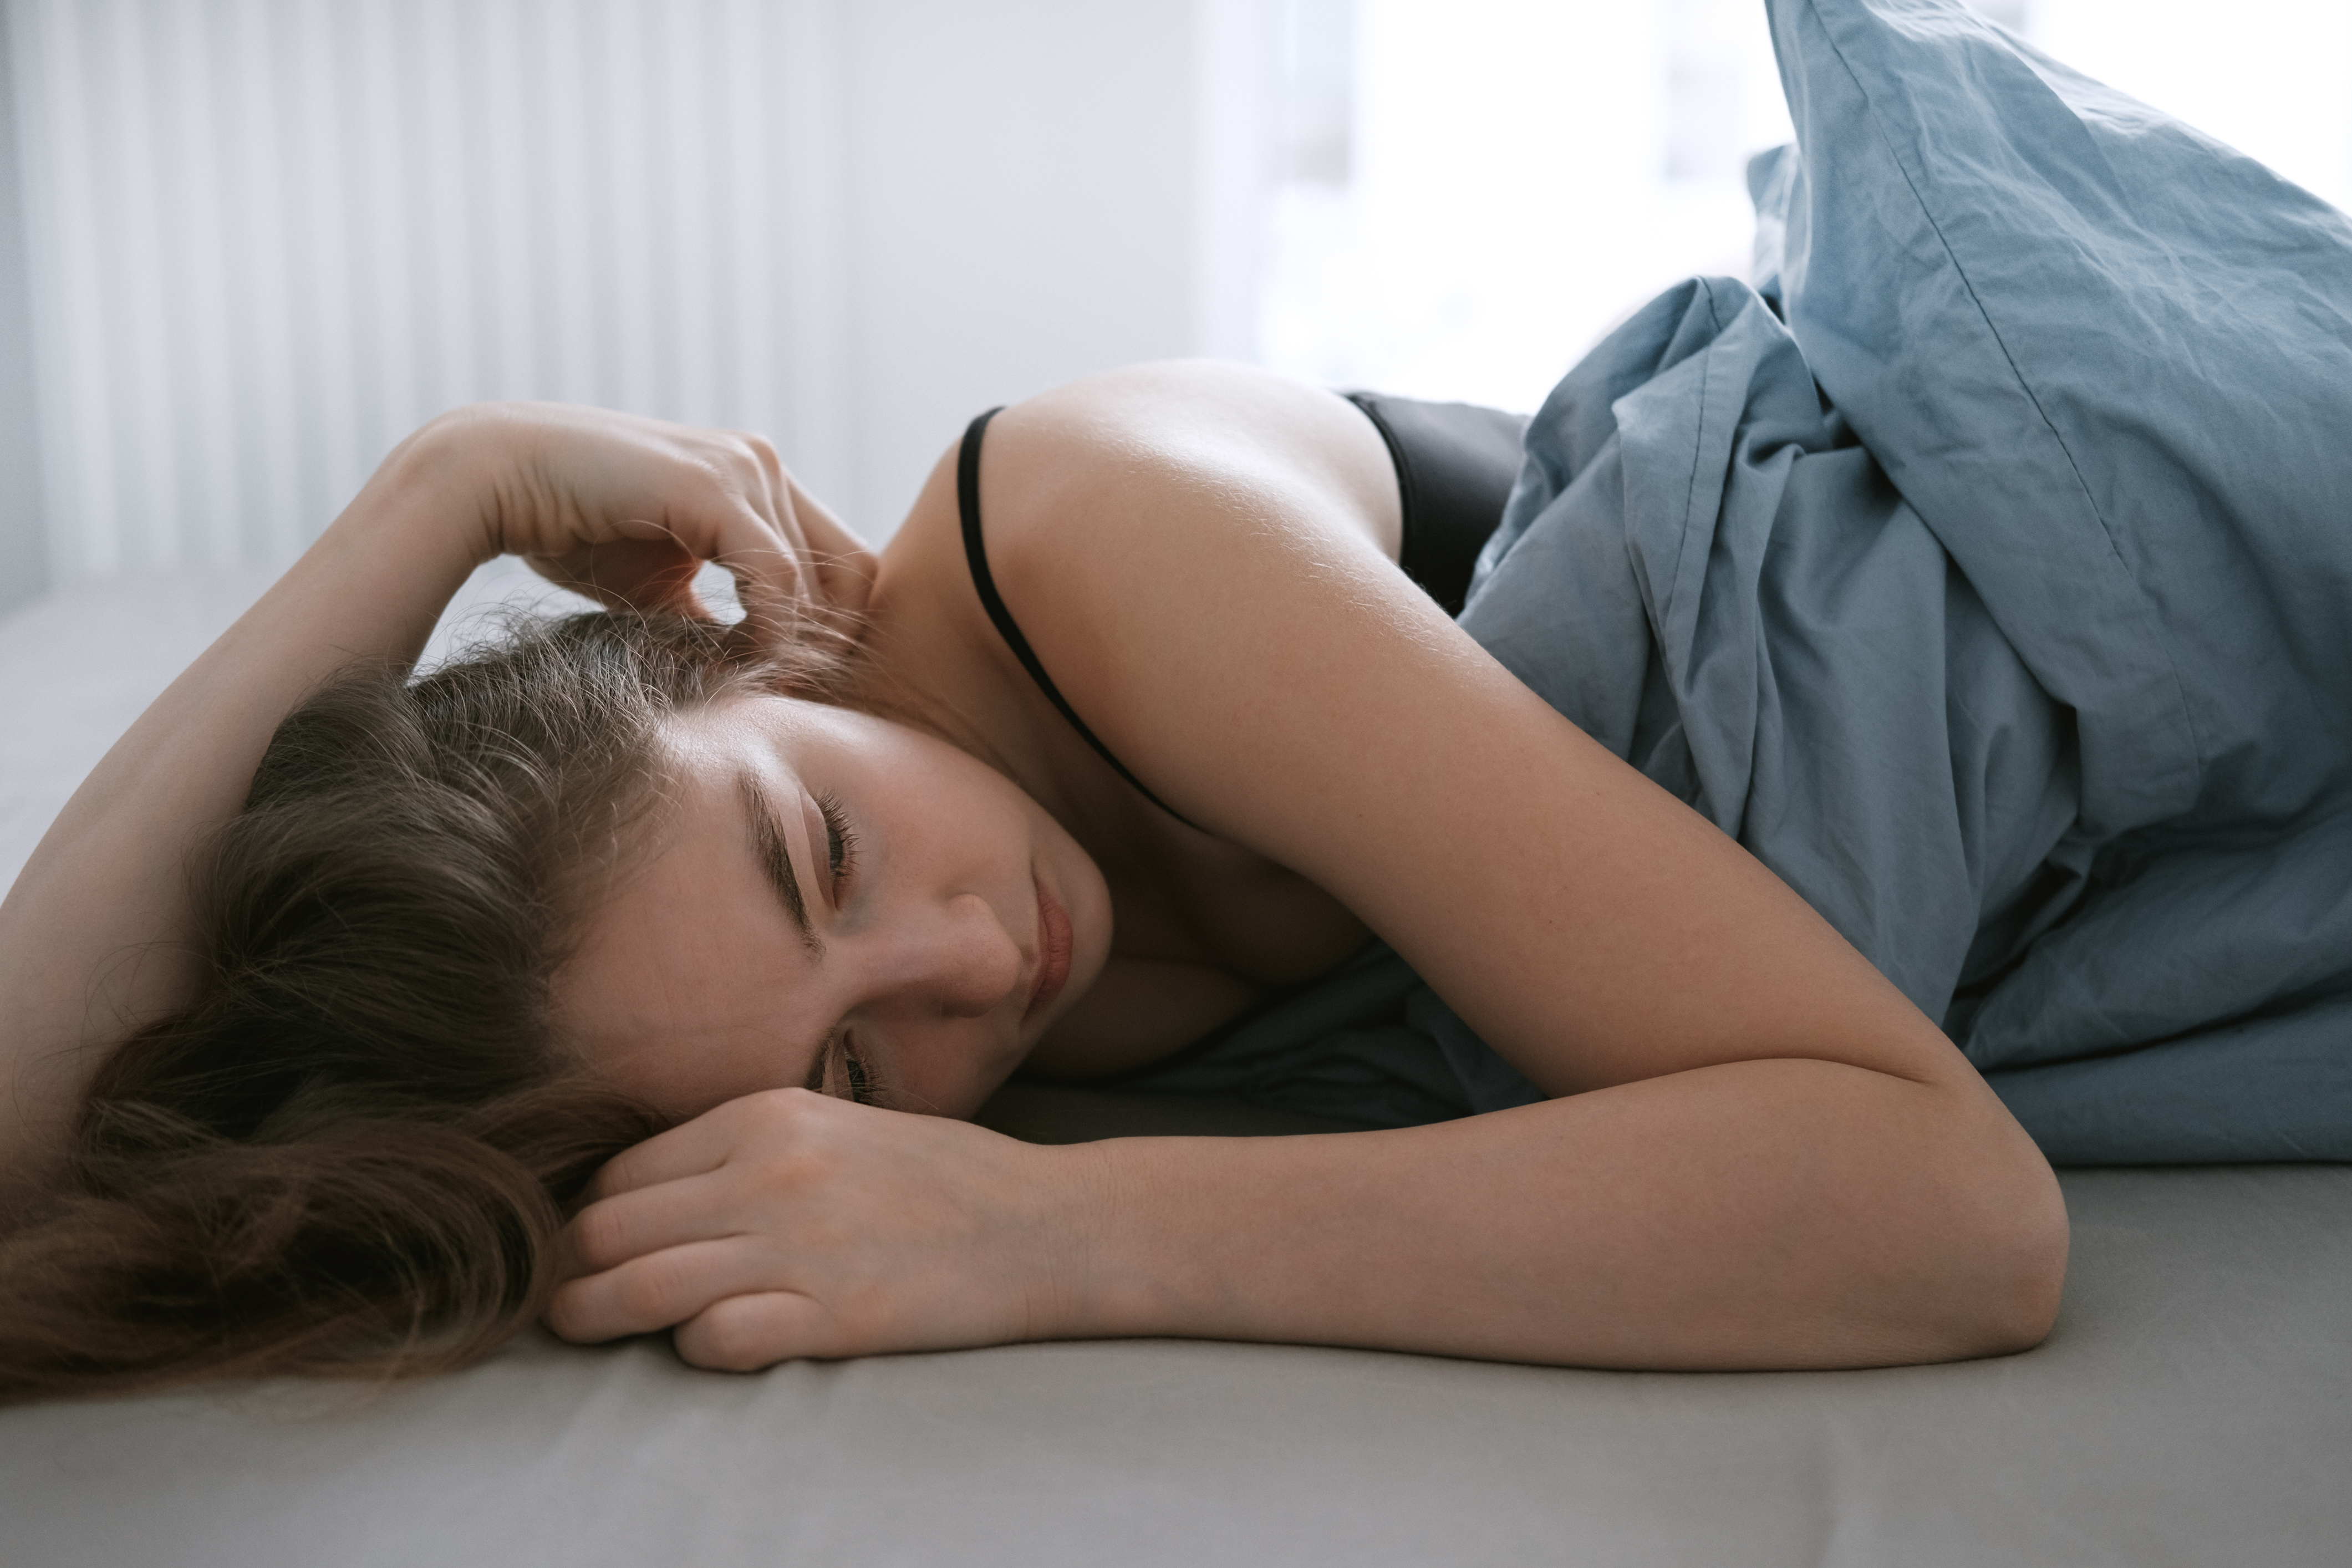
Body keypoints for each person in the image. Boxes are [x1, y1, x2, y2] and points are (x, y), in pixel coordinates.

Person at [0, 365, 2065, 1399]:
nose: (980, 966)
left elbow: (1956, 1210)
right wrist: (424, 505)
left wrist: (1058, 1222)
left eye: (823, 846)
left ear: (751, 645)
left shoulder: (1098, 545)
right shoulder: (847, 993)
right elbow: (25, 1133)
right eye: (857, 1080)